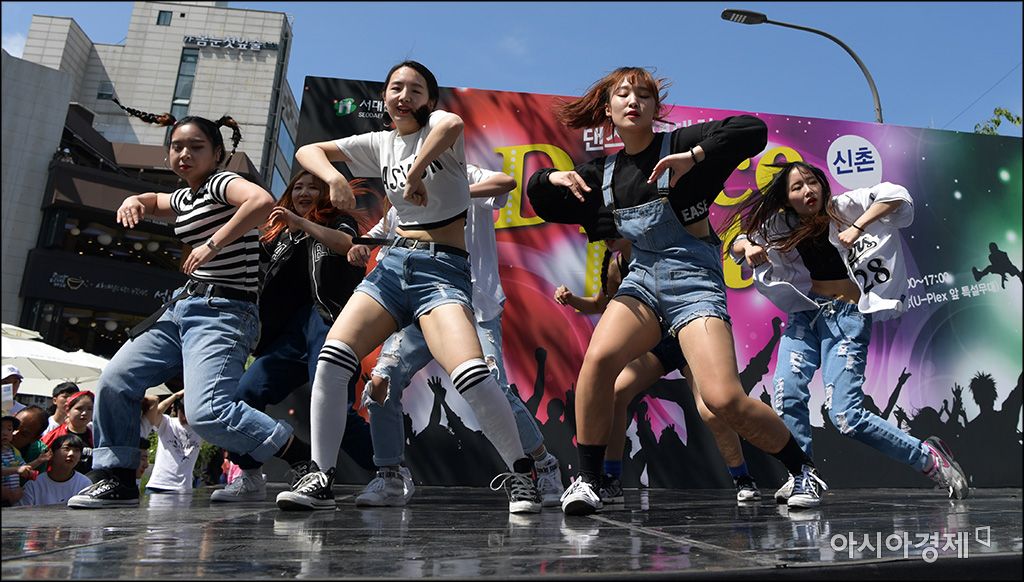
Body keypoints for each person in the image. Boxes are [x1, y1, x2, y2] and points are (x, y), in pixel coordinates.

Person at [527, 67, 816, 515]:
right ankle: (589, 480)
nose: (633, 101)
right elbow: (538, 198)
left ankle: (802, 471)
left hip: (693, 278)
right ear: (607, 109)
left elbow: (752, 130)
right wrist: (551, 179)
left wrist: (694, 157)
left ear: (655, 109)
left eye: (644, 95)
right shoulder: (603, 174)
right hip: (642, 278)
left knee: (721, 400)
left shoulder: (681, 144)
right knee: (599, 362)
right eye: (623, 94)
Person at [278, 60, 540, 513]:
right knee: (334, 359)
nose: (404, 96)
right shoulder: (379, 143)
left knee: (471, 375)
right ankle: (321, 476)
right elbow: (308, 151)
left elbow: (453, 124)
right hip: (393, 267)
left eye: (415, 90)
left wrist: (416, 171)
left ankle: (523, 474)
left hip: (441, 270)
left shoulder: (440, 128)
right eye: (396, 88)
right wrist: (335, 178)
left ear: (429, 100)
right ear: (384, 97)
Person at [66, 100, 301, 508]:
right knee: (116, 380)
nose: (184, 154)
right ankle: (117, 478)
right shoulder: (187, 196)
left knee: (207, 412)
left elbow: (261, 200)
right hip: (182, 309)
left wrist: (212, 244)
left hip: (225, 311)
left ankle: (302, 459)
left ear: (217, 154)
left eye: (195, 147)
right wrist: (135, 200)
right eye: (177, 147)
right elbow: (158, 199)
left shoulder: (220, 183)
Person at [729, 161, 969, 501]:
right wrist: (749, 248)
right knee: (786, 394)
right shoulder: (782, 224)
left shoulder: (843, 207)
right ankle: (802, 475)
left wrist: (858, 225)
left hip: (845, 316)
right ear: (786, 199)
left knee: (846, 416)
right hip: (804, 316)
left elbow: (897, 197)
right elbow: (738, 243)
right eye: (797, 187)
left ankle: (929, 458)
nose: (807, 191)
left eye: (812, 182)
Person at [349, 164, 565, 507]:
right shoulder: (406, 191)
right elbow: (377, 235)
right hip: (420, 308)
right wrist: (359, 248)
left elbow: (506, 181)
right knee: (381, 381)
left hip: (472, 305)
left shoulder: (462, 173)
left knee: (489, 384)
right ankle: (389, 475)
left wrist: (457, 193)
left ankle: (541, 464)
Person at [554, 240, 761, 504]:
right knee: (616, 393)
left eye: (610, 229)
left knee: (711, 409)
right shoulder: (617, 267)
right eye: (602, 232)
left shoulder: (666, 246)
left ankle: (743, 478)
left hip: (691, 335)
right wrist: (571, 299)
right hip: (659, 347)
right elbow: (599, 304)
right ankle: (611, 479)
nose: (606, 236)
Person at [212, 169, 375, 502]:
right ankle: (250, 475)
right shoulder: (280, 236)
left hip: (329, 322)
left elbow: (347, 244)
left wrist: (301, 223)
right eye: (297, 187)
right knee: (244, 394)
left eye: (312, 188)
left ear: (326, 194)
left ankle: (387, 470)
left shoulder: (338, 221)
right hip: (289, 334)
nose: (303, 193)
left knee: (335, 410)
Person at [141, 391, 202, 494]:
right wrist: (174, 396)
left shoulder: (199, 429)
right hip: (158, 485)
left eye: (187, 413)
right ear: (177, 409)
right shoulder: (167, 422)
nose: (184, 417)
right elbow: (156, 412)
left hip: (183, 488)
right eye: (182, 411)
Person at [18, 434, 93, 506]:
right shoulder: (34, 485)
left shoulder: (85, 484)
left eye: (76, 450)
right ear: (52, 453)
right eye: (66, 448)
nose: (71, 454)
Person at [42, 390, 95, 475]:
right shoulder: (53, 436)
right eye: (79, 408)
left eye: (90, 409)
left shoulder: (96, 437)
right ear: (67, 410)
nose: (84, 413)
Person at [13, 406, 53, 478]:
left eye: (23, 434)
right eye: (14, 427)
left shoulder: (39, 454)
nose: (14, 433)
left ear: (35, 439)